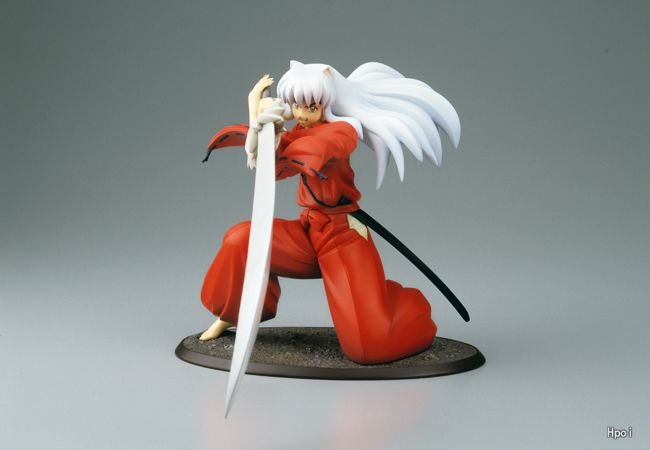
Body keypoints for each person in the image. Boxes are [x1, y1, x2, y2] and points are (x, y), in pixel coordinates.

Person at [198, 61, 460, 364]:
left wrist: (273, 134)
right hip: (309, 229)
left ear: (329, 102)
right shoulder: (299, 130)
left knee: (369, 346)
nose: (301, 114)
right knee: (241, 240)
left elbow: (318, 150)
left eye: (311, 106)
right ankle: (236, 314)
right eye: (296, 105)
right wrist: (259, 123)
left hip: (342, 236)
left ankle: (406, 307)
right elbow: (273, 167)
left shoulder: (343, 131)